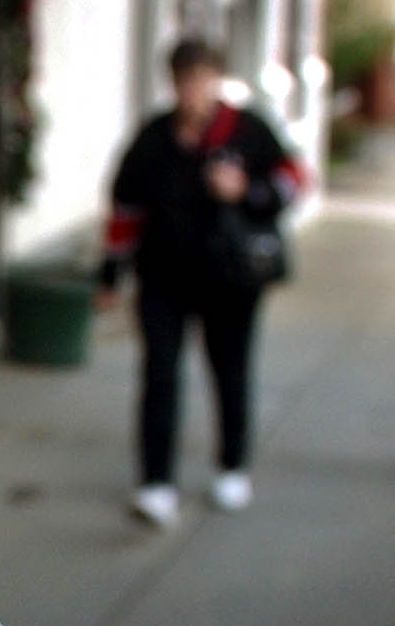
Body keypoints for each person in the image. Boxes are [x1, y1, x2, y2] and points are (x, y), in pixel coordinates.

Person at [98, 38, 306, 528]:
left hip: (230, 282)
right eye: (183, 79)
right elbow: (125, 209)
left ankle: (232, 466)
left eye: (201, 77)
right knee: (159, 377)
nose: (192, 89)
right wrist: (110, 274)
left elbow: (295, 179)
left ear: (216, 80)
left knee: (230, 372)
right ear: (172, 83)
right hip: (164, 279)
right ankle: (155, 483)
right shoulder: (153, 139)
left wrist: (248, 191)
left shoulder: (247, 130)